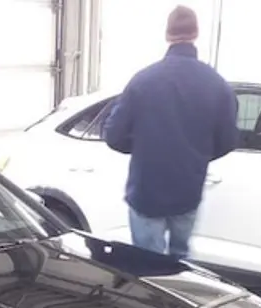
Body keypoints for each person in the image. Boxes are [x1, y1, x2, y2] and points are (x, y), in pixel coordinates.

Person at [102, 5, 239, 257]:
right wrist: (196, 154)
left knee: (148, 266)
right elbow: (228, 140)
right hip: (188, 191)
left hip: (147, 192)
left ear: (167, 35)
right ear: (196, 34)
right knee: (181, 264)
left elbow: (114, 135)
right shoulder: (217, 84)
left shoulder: (143, 81)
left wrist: (144, 146)